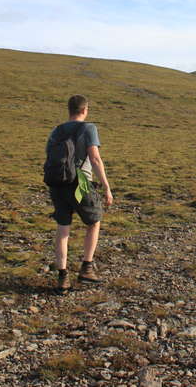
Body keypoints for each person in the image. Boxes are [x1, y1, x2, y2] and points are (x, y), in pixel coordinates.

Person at [45, 95, 113, 293]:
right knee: (94, 221)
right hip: (81, 182)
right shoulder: (88, 128)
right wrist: (106, 186)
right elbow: (95, 158)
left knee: (63, 228)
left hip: (57, 183)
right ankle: (86, 267)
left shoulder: (56, 130)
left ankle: (62, 277)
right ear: (85, 110)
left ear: (69, 110)